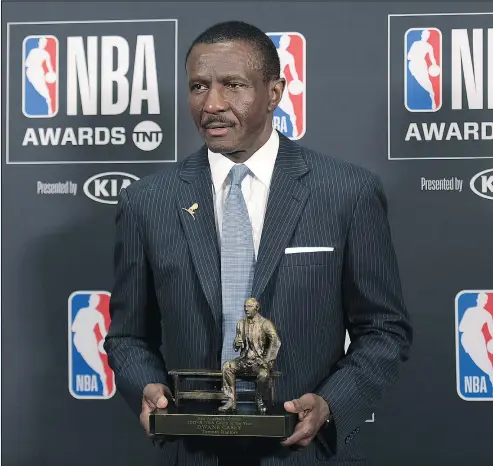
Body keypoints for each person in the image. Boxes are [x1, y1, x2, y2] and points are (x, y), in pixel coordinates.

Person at [104, 20, 413, 466]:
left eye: (232, 85)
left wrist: (331, 406)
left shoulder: (346, 192)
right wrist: (146, 387)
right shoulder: (146, 202)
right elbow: (129, 335)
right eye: (198, 86)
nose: (211, 104)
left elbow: (384, 329)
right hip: (194, 452)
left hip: (307, 455)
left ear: (274, 92)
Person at [219, 297, 281, 413]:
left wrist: (266, 360)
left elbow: (276, 341)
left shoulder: (265, 324)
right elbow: (236, 346)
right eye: (245, 307)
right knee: (227, 366)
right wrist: (236, 344)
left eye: (249, 307)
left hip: (258, 362)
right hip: (244, 359)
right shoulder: (241, 323)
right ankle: (231, 399)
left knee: (263, 375)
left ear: (257, 308)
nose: (246, 309)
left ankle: (258, 399)